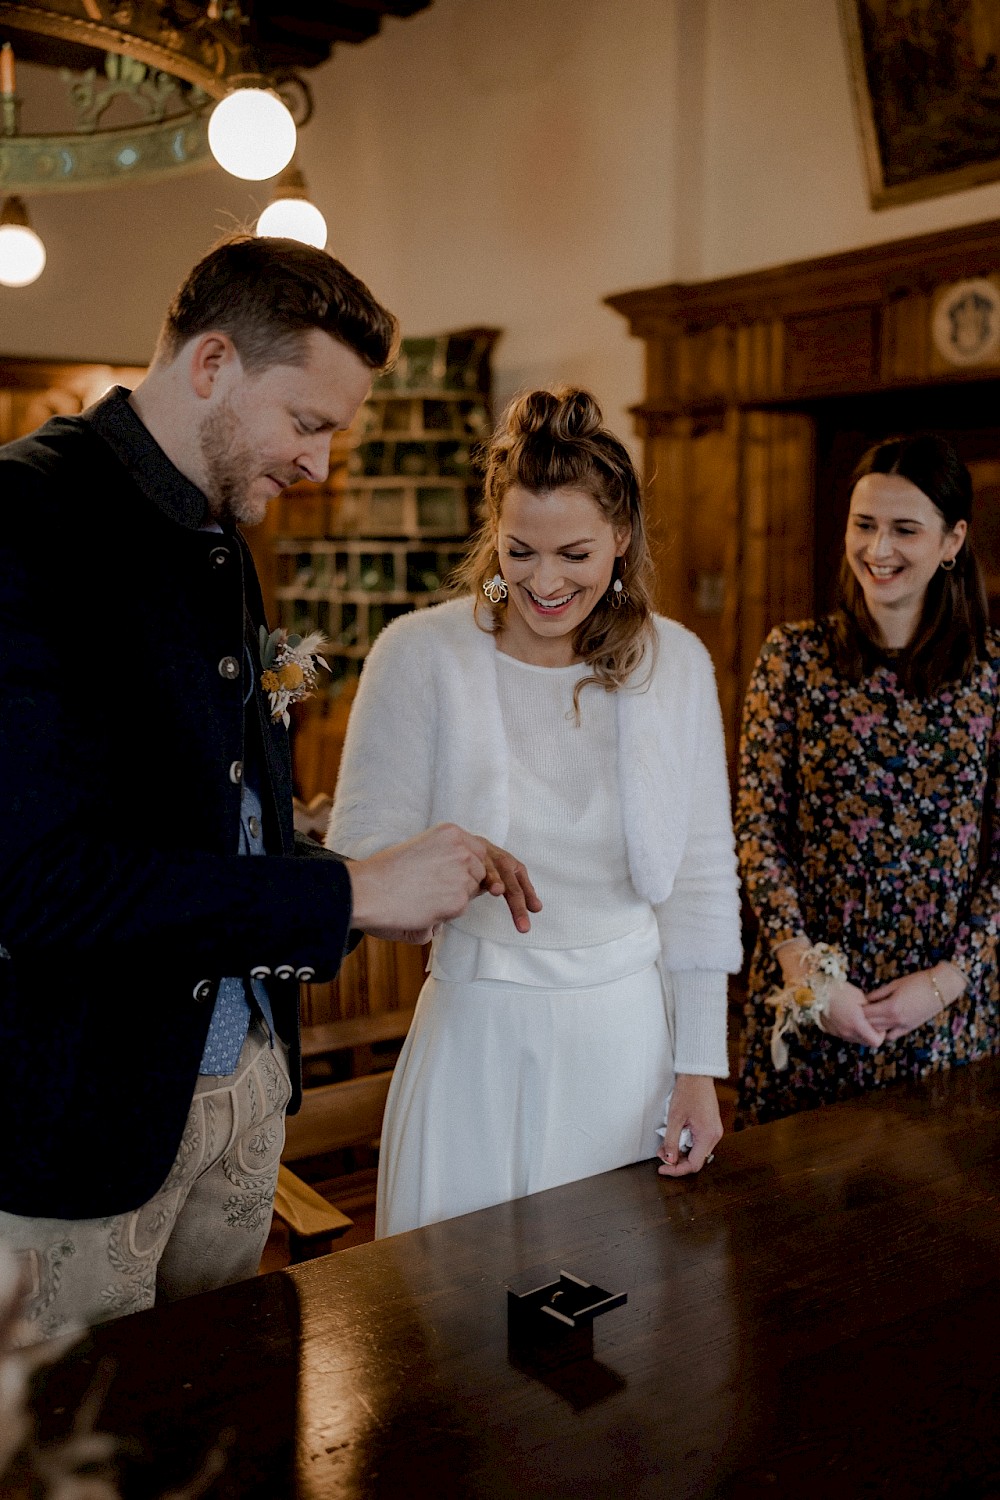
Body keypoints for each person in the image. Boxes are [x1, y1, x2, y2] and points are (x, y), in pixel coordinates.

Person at [0, 234, 534, 1340]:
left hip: (241, 1091)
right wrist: (347, 899)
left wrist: (373, 873)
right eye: (309, 423)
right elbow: (40, 887)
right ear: (211, 365)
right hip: (83, 1118)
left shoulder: (219, 531)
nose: (320, 466)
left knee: (232, 1437)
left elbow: (219, 827)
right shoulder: (24, 520)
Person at [327, 387, 742, 1237]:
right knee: (453, 1326)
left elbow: (700, 879)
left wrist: (699, 1065)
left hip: (624, 1043)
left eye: (575, 554)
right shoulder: (420, 654)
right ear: (493, 533)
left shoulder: (677, 667)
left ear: (622, 538)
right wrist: (448, 860)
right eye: (520, 552)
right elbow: (359, 857)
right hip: (475, 1033)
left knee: (611, 1321)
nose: (545, 583)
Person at [735, 433, 1000, 1128]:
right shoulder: (792, 658)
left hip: (944, 1019)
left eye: (905, 529)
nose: (879, 549)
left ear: (952, 541)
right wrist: (807, 971)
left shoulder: (994, 672)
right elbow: (758, 826)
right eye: (864, 525)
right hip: (810, 1005)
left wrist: (947, 981)